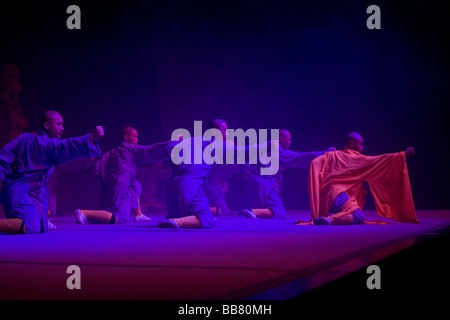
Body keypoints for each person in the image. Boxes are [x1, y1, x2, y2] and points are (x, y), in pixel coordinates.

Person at [0, 110, 104, 234]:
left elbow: (3, 156)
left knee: (42, 226)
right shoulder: (45, 145)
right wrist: (91, 137)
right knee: (32, 226)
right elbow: (65, 146)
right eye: (59, 124)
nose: (62, 128)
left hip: (34, 195)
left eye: (62, 125)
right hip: (21, 193)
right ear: (46, 126)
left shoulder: (24, 138)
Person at [298, 132, 419, 226]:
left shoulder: (333, 155)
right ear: (351, 143)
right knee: (358, 218)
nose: (362, 148)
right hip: (338, 194)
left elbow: (315, 162)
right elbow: (379, 160)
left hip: (327, 197)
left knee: (350, 213)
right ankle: (329, 220)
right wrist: (403, 155)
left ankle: (329, 218)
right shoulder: (355, 158)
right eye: (360, 144)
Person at [74, 127, 170, 225]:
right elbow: (150, 150)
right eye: (135, 137)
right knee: (120, 217)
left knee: (136, 185)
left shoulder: (112, 152)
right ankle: (84, 213)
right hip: (121, 189)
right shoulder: (129, 149)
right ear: (126, 137)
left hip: (112, 186)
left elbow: (96, 169)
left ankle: (138, 214)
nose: (137, 139)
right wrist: (170, 144)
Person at [240, 129, 335, 220]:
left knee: (273, 211)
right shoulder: (277, 151)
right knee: (277, 211)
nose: (290, 142)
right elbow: (301, 157)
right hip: (262, 185)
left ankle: (252, 212)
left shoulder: (262, 148)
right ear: (281, 139)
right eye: (289, 139)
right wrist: (325, 153)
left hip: (258, 185)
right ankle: (252, 213)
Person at [158, 136, 216, 229]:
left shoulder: (182, 149)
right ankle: (177, 221)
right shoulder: (210, 147)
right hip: (190, 188)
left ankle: (179, 218)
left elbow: (167, 149)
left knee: (183, 212)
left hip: (173, 188)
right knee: (207, 219)